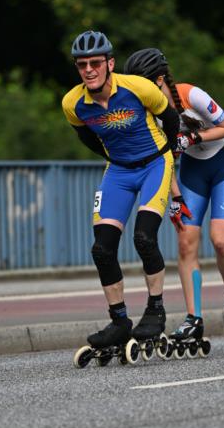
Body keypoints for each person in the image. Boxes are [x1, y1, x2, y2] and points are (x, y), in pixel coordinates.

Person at [61, 31, 180, 350]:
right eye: (82, 64)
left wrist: (168, 156)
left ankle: (156, 310)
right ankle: (119, 320)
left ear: (109, 63)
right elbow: (86, 138)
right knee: (101, 249)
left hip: (155, 164)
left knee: (144, 237)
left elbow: (171, 119)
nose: (89, 70)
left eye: (95, 63)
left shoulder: (138, 88)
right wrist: (115, 159)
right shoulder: (73, 103)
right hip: (119, 170)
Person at [124, 48, 224, 347]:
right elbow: (160, 160)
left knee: (220, 239)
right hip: (192, 172)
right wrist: (175, 199)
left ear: (160, 79)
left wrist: (193, 137)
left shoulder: (191, 95)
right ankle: (194, 318)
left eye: (144, 86)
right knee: (185, 241)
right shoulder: (148, 114)